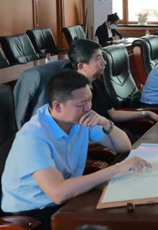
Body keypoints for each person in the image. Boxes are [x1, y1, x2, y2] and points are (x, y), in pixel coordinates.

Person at [1, 71, 150, 229]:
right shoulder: (33, 136)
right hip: (33, 215)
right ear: (57, 106)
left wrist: (105, 122)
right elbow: (58, 193)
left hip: (67, 199)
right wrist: (117, 169)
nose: (88, 108)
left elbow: (124, 146)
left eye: (90, 100)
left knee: (128, 212)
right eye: (81, 104)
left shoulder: (80, 119)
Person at [69, 39, 158, 138]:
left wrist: (146, 113)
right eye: (98, 58)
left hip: (115, 132)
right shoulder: (74, 93)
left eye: (102, 57)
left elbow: (113, 114)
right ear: (81, 66)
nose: (104, 62)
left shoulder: (97, 83)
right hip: (104, 140)